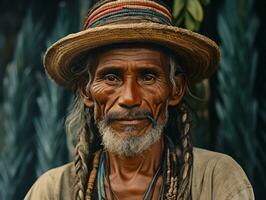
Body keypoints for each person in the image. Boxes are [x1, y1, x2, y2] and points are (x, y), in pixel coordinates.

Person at [25, 0, 254, 199]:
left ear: (175, 90)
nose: (129, 98)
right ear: (86, 91)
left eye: (148, 76)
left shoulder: (216, 180)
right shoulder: (52, 190)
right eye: (111, 77)